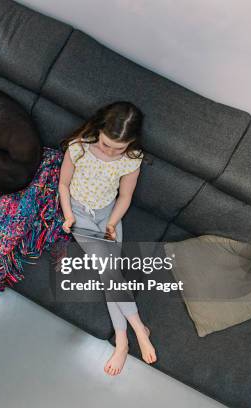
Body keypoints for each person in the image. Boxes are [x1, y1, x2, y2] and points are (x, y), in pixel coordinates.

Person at [57, 101, 156, 376]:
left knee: (109, 274)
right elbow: (64, 184)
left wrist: (112, 223)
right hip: (79, 215)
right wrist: (68, 216)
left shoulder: (131, 158)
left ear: (131, 142)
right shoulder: (78, 147)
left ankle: (124, 340)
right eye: (105, 144)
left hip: (109, 215)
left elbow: (125, 196)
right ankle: (134, 332)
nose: (110, 151)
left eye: (118, 148)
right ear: (98, 129)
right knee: (110, 272)